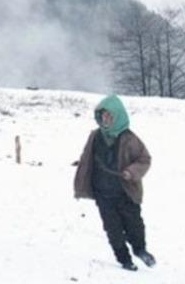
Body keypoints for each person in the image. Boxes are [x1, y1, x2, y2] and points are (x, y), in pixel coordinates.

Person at [73, 94, 155, 271]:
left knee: (134, 225)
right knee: (113, 229)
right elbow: (86, 158)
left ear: (118, 116)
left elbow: (144, 159)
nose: (106, 119)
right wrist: (81, 181)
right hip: (102, 193)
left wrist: (131, 172)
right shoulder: (95, 136)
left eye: (110, 116)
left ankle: (140, 250)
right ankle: (124, 259)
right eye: (103, 116)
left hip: (126, 192)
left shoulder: (130, 139)